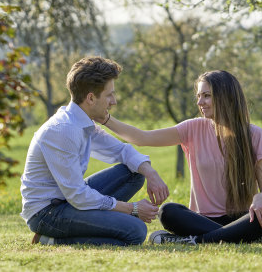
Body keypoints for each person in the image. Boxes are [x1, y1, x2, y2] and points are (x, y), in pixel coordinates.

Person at [101, 70, 262, 245]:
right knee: (168, 212)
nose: (200, 102)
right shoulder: (193, 128)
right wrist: (104, 118)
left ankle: (194, 240)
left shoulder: (255, 134)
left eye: (207, 95)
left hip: (241, 218)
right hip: (200, 220)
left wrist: (261, 198)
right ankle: (243, 237)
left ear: (226, 96)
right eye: (198, 96)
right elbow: (142, 138)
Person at [20, 56, 169, 246]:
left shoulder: (82, 122)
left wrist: (151, 173)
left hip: (69, 201)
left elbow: (122, 150)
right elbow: (78, 195)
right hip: (47, 213)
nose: (113, 101)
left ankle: (96, 223)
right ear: (91, 98)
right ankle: (52, 239)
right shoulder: (63, 129)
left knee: (134, 173)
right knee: (136, 231)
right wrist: (131, 208)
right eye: (109, 95)